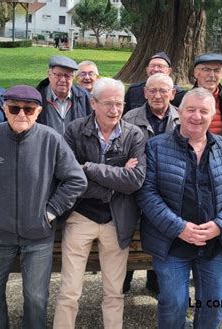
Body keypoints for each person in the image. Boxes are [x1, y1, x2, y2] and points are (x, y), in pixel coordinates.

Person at [136, 88, 222, 329]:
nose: (196, 116)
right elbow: (147, 193)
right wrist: (179, 228)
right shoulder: (156, 147)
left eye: (204, 111)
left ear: (213, 115)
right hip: (172, 243)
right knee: (173, 303)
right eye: (191, 110)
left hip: (214, 244)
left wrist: (220, 226)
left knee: (213, 305)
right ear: (179, 111)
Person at [0, 85, 87, 329]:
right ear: (5, 109)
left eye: (28, 109)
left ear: (38, 111)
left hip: (38, 235)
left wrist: (50, 211)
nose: (21, 115)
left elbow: (77, 179)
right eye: (14, 108)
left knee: (36, 298)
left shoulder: (51, 139)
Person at [53, 78, 146, 329]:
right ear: (93, 103)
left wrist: (90, 168)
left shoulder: (134, 134)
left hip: (116, 220)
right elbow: (69, 176)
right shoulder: (74, 130)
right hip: (80, 216)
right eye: (108, 103)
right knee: (69, 291)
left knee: (114, 292)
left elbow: (135, 180)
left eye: (119, 103)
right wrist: (115, 178)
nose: (114, 110)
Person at [122, 72, 180, 294]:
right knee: (129, 235)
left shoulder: (183, 118)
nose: (157, 95)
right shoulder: (129, 118)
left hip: (168, 192)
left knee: (163, 235)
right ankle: (124, 283)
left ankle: (154, 283)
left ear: (173, 93)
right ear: (145, 93)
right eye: (152, 90)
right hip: (135, 190)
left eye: (163, 90)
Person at [173, 53, 222, 135]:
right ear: (196, 73)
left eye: (217, 70)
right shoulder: (180, 99)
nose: (211, 75)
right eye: (206, 70)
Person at [36, 55, 92, 135]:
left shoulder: (84, 97)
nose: (62, 80)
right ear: (49, 74)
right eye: (58, 75)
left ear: (73, 77)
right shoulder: (38, 98)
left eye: (67, 76)